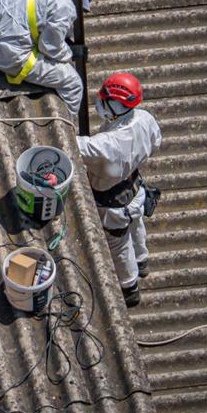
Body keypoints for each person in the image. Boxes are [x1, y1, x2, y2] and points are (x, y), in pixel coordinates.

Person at [77, 72, 161, 307]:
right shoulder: (144, 118)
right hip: (135, 188)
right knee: (137, 226)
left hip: (112, 203)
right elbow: (156, 142)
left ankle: (129, 287)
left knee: (119, 246)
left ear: (114, 105)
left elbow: (74, 145)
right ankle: (142, 262)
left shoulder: (105, 144)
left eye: (104, 99)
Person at [0, 0, 100, 116]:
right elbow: (49, 47)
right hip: (8, 55)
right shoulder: (63, 4)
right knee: (73, 84)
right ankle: (69, 128)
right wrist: (71, 53)